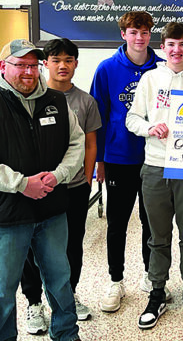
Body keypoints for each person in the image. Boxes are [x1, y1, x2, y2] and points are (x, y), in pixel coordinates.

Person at [126, 22, 183, 329]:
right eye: (171, 45)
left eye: (182, 44)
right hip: (154, 167)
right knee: (158, 237)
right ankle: (158, 292)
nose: (176, 50)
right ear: (163, 47)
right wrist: (149, 128)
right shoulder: (151, 79)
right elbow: (132, 118)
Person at [0, 39, 84, 340]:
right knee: (3, 289)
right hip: (8, 215)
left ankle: (66, 333)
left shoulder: (57, 101)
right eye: (19, 65)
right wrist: (21, 184)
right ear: (3, 67)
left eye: (32, 65)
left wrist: (59, 175)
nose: (27, 72)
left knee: (60, 279)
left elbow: (77, 143)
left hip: (52, 210)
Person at [19, 38, 101, 334]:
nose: (62, 65)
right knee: (30, 247)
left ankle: (68, 295)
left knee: (71, 245)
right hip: (34, 187)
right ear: (46, 64)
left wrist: (87, 178)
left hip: (73, 186)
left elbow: (89, 143)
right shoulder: (30, 98)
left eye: (68, 60)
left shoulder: (85, 101)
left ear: (76, 64)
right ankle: (33, 302)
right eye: (56, 60)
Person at [90, 11, 164, 313]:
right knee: (118, 222)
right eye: (133, 32)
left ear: (151, 35)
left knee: (152, 223)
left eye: (145, 32)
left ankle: (151, 277)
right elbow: (98, 118)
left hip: (154, 158)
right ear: (123, 34)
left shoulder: (162, 67)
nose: (139, 37)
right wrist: (99, 162)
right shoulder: (107, 69)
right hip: (119, 157)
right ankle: (115, 280)